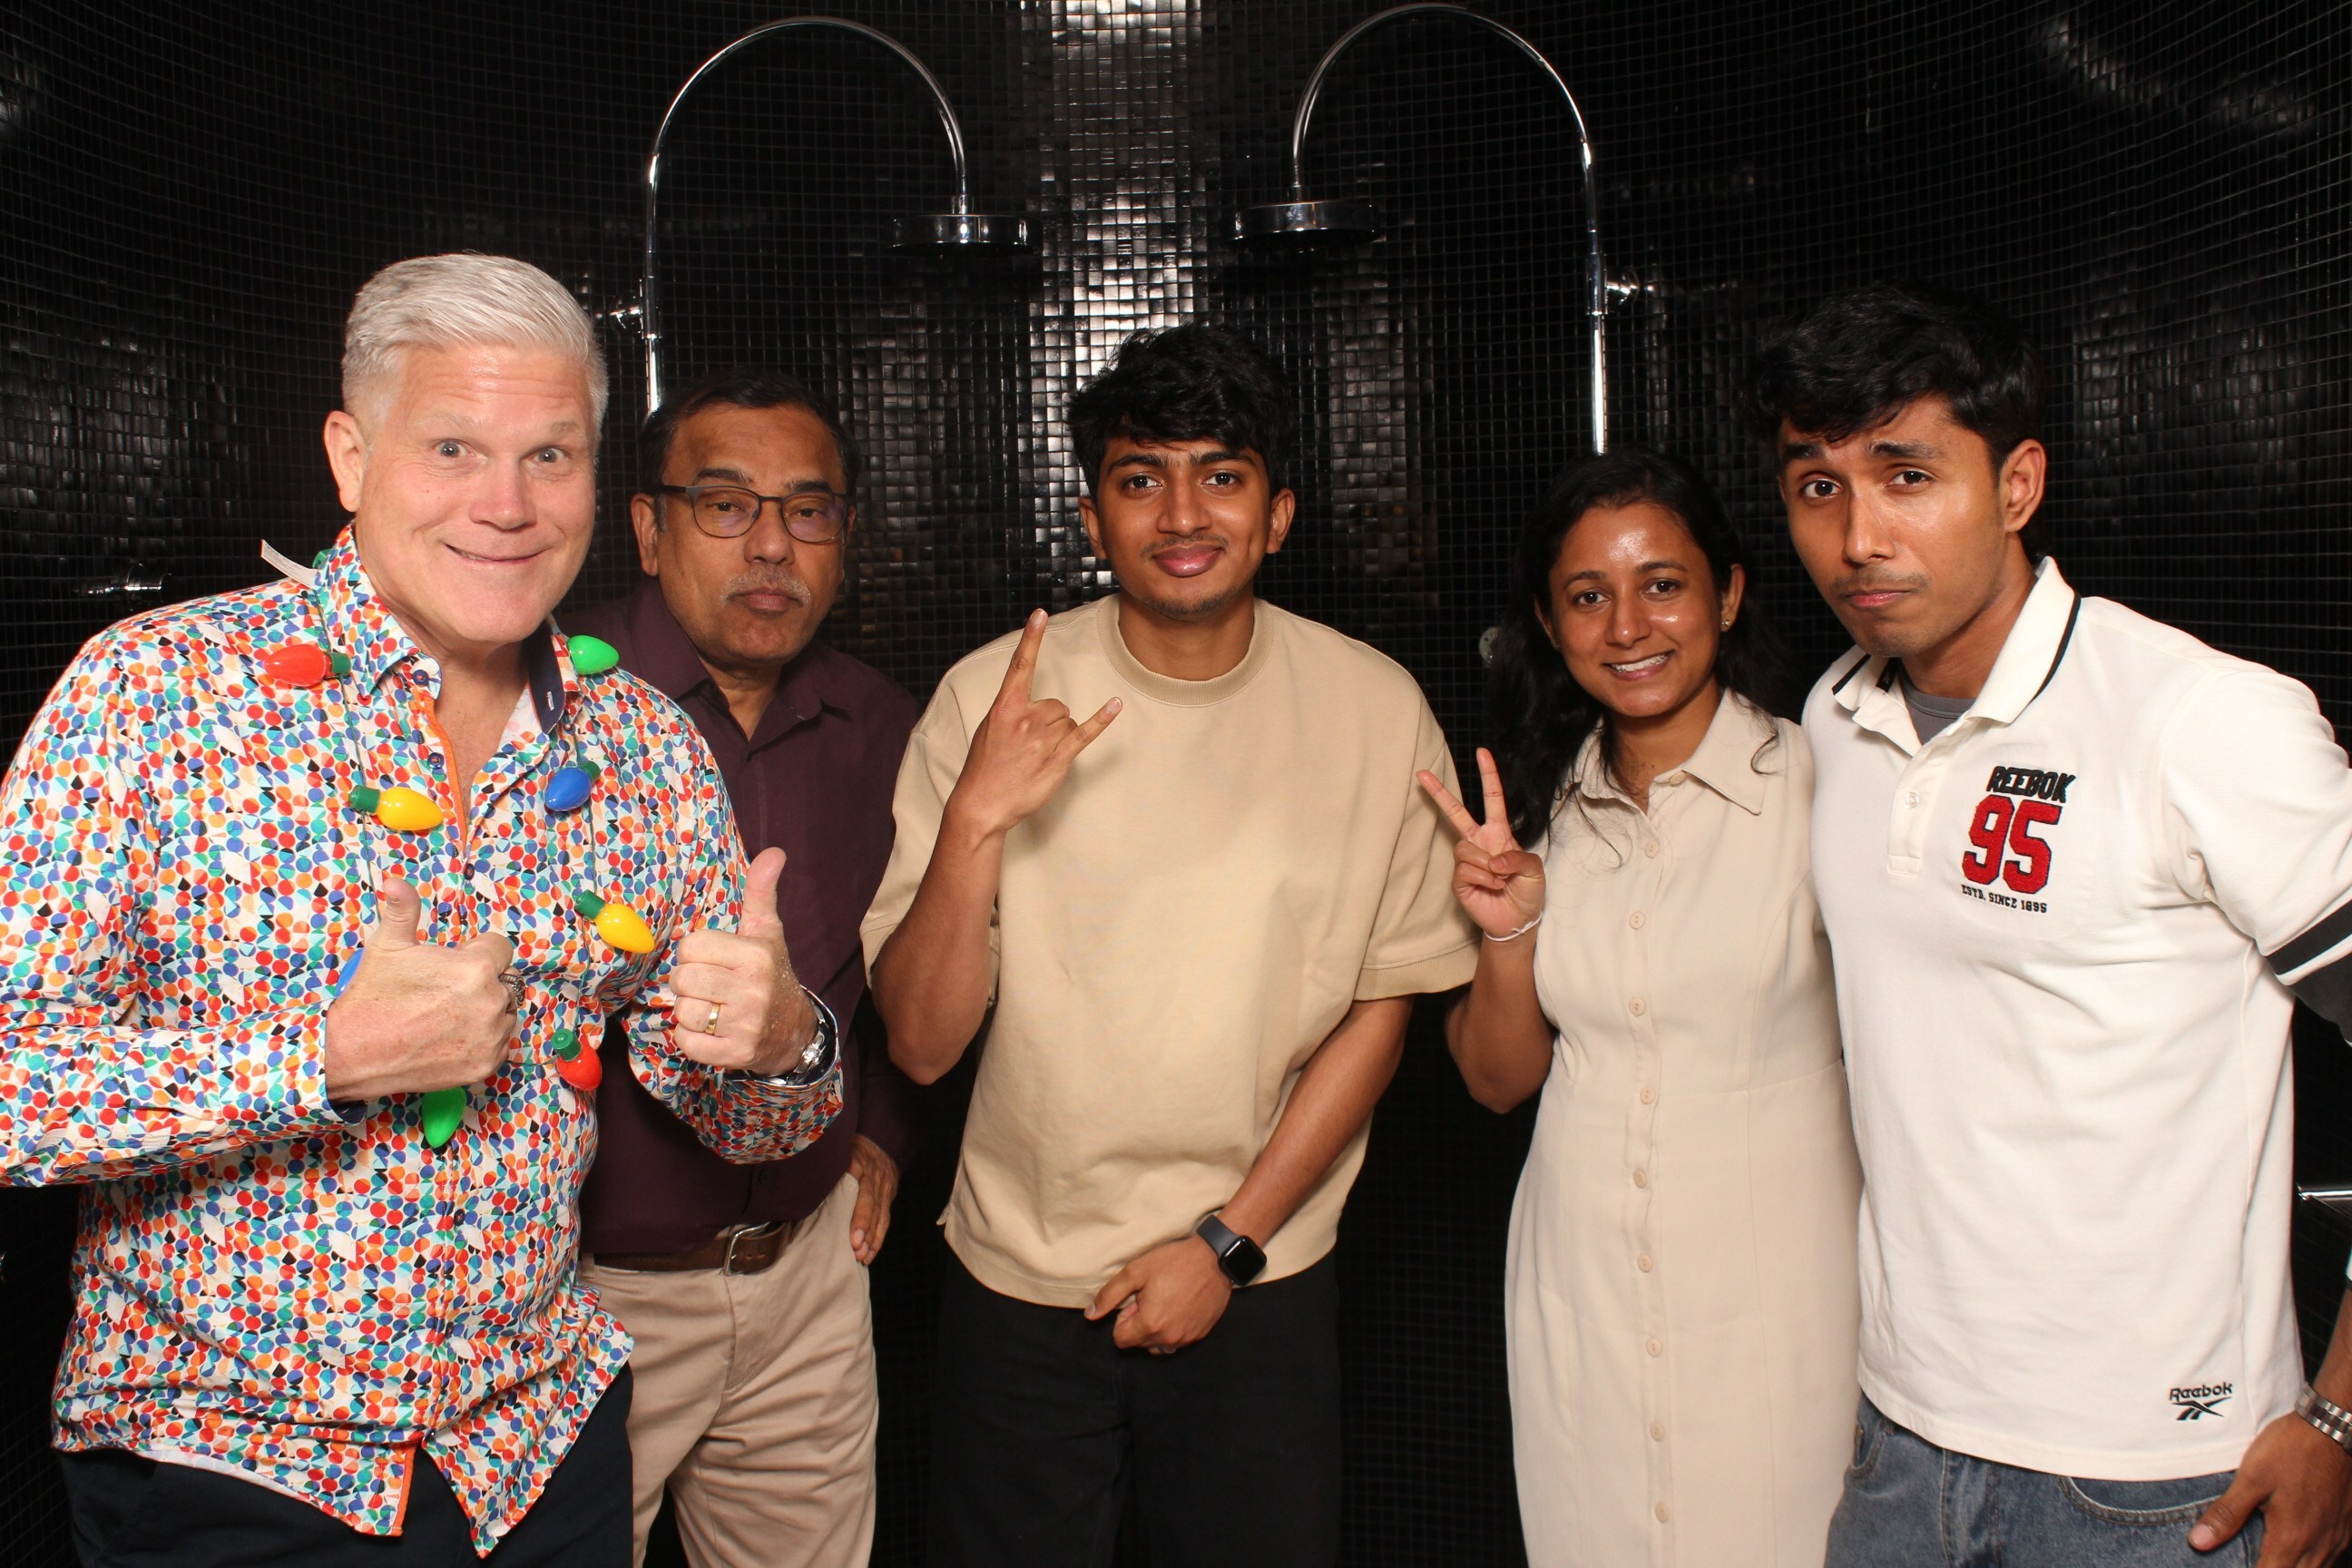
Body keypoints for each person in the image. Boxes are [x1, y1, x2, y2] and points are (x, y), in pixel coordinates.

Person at [0, 253, 843, 1566]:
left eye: (550, 456)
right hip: (232, 1467)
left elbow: (738, 1116)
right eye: (453, 448)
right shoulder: (153, 697)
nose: (506, 505)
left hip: (544, 1452)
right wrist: (323, 1059)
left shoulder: (645, 748)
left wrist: (786, 1042)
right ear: (351, 457)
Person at [1744, 279, 2352, 1567]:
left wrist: (2341, 1416)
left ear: (2017, 485)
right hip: (1901, 1446)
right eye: (1819, 486)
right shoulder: (1834, 720)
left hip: (2156, 1486)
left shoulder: (2200, 721)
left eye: (1909, 476)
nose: (1858, 537)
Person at [861, 323, 1478, 1567]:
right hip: (1020, 1286)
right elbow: (920, 1046)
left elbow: (1382, 1009)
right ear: (1093, 520)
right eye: (1142, 479)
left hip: (1259, 1270)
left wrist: (1227, 1242)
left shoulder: (1374, 707)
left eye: (1222, 475)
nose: (1183, 514)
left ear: (1278, 513)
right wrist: (976, 819)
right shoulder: (990, 698)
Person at [1419, 450, 1859, 1563]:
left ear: (1728, 592)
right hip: (1582, 1295)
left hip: (1782, 1299)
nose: (1627, 627)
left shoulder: (1833, 787)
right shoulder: (1537, 812)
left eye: (1662, 584)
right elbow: (1497, 1081)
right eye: (1588, 596)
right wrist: (1509, 929)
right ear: (1549, 622)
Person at [568, 370, 918, 1568]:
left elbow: (907, 962)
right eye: (725, 505)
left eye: (807, 510)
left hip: (809, 1282)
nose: (772, 545)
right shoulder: (556, 705)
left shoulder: (882, 727)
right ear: (649, 528)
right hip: (592, 1294)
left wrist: (880, 1128)